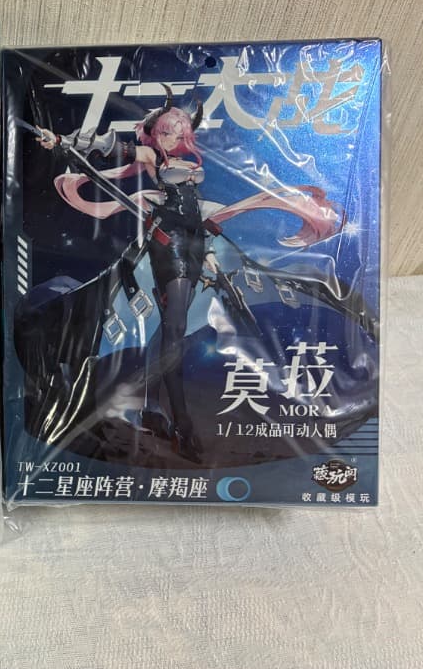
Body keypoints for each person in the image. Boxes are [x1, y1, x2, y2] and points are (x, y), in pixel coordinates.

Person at [38, 86, 340, 461]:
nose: (172, 137)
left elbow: (196, 211)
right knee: (175, 332)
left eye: (178, 131)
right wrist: (62, 140)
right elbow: (108, 144)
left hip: (197, 243)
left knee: (176, 330)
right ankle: (178, 420)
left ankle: (153, 406)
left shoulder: (185, 161)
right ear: (154, 131)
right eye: (166, 130)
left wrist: (210, 250)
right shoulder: (151, 155)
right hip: (171, 246)